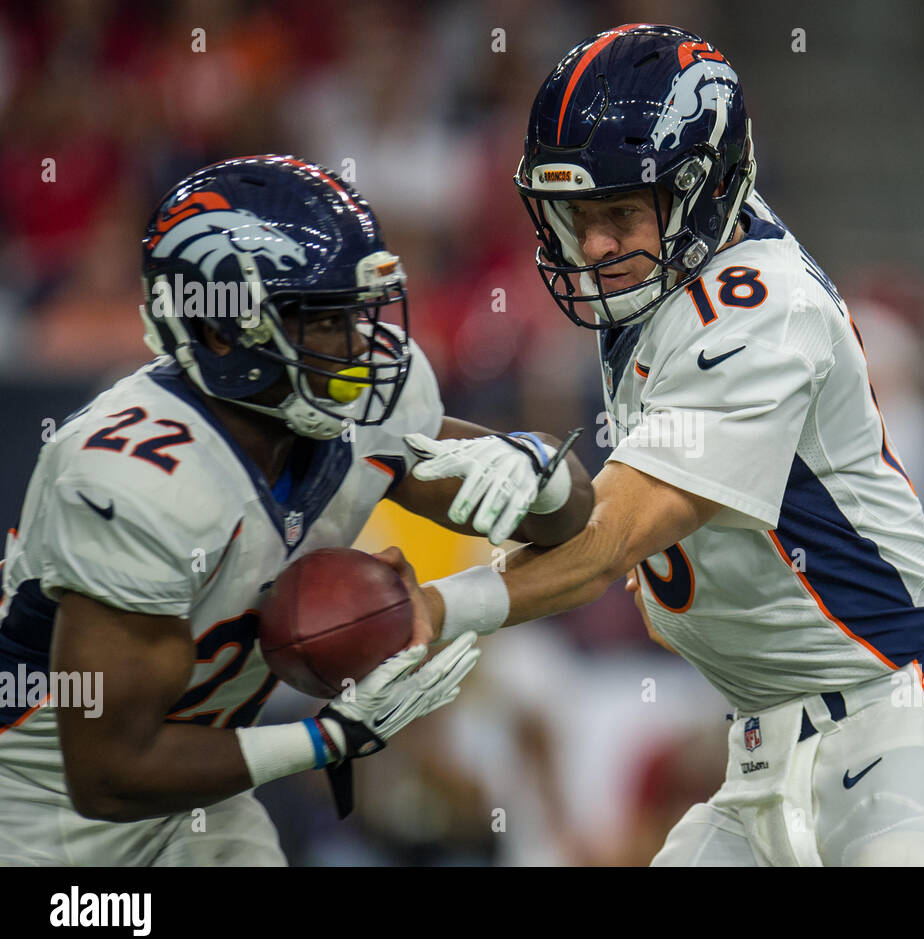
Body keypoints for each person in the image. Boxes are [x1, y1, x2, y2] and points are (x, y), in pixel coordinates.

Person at [405, 24, 924, 866]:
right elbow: (579, 512)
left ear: (705, 190)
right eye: (577, 215)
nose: (593, 245)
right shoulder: (661, 275)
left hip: (900, 732)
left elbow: (606, 541)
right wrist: (372, 439)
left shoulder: (762, 309)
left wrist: (433, 612)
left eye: (620, 212)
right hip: (760, 749)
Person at [0, 155, 593, 865]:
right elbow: (107, 774)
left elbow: (558, 522)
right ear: (221, 333)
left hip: (201, 800)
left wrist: (539, 470)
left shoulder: (356, 409)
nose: (358, 345)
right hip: (41, 816)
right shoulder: (129, 478)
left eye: (356, 312)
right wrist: (327, 740)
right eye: (322, 318)